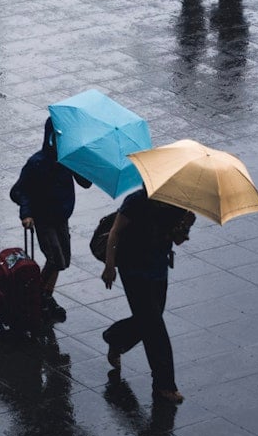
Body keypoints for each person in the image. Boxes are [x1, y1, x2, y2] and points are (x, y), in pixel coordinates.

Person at [101, 188, 195, 404]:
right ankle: (164, 384)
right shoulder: (135, 202)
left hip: (158, 269)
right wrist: (110, 264)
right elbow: (115, 232)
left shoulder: (177, 205)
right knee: (155, 328)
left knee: (151, 319)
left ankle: (116, 337)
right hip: (134, 271)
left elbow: (177, 240)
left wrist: (185, 226)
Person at [10, 117, 91, 322]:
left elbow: (85, 182)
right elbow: (19, 191)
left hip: (61, 218)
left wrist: (81, 162)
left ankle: (45, 295)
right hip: (44, 220)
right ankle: (38, 297)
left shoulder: (67, 161)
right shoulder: (37, 163)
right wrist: (26, 213)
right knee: (56, 258)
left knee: (62, 261)